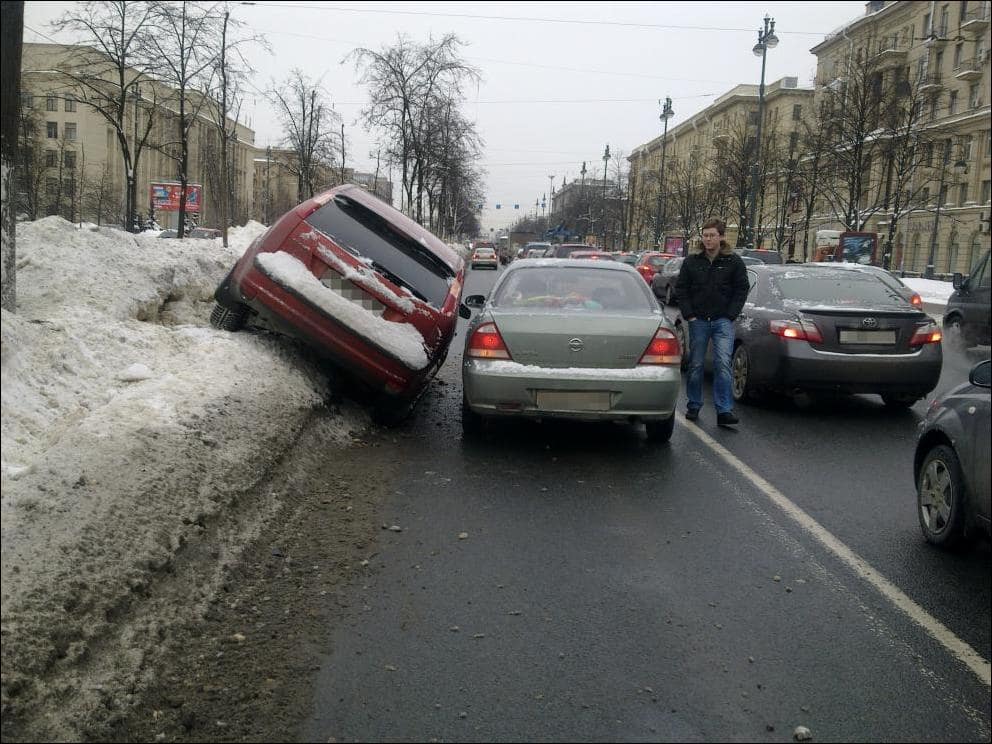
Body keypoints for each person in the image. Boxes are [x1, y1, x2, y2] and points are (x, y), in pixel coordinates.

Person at [675, 217, 749, 427]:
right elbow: (682, 289)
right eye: (705, 235)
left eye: (712, 235)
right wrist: (689, 314)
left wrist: (730, 314)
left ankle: (724, 410)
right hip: (698, 320)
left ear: (721, 237)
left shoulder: (733, 261)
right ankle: (694, 404)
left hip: (722, 321)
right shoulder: (692, 261)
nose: (708, 239)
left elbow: (741, 289)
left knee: (723, 364)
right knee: (696, 364)